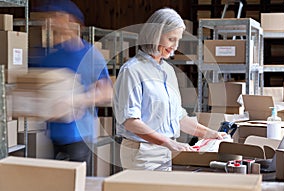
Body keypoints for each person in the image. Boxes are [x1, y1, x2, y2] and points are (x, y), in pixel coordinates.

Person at [113, 8, 227, 171]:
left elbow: (178, 117)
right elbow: (130, 121)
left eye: (178, 40)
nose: (175, 46)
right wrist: (168, 142)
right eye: (171, 39)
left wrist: (209, 134)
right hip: (142, 153)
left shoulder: (168, 71)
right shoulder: (132, 70)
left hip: (165, 151)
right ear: (155, 35)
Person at [31, 0, 113, 175]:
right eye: (49, 17)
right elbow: (34, 86)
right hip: (54, 136)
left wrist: (76, 100)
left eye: (56, 16)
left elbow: (107, 92)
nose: (51, 21)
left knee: (78, 184)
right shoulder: (50, 57)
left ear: (72, 21)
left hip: (79, 138)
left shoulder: (90, 55)